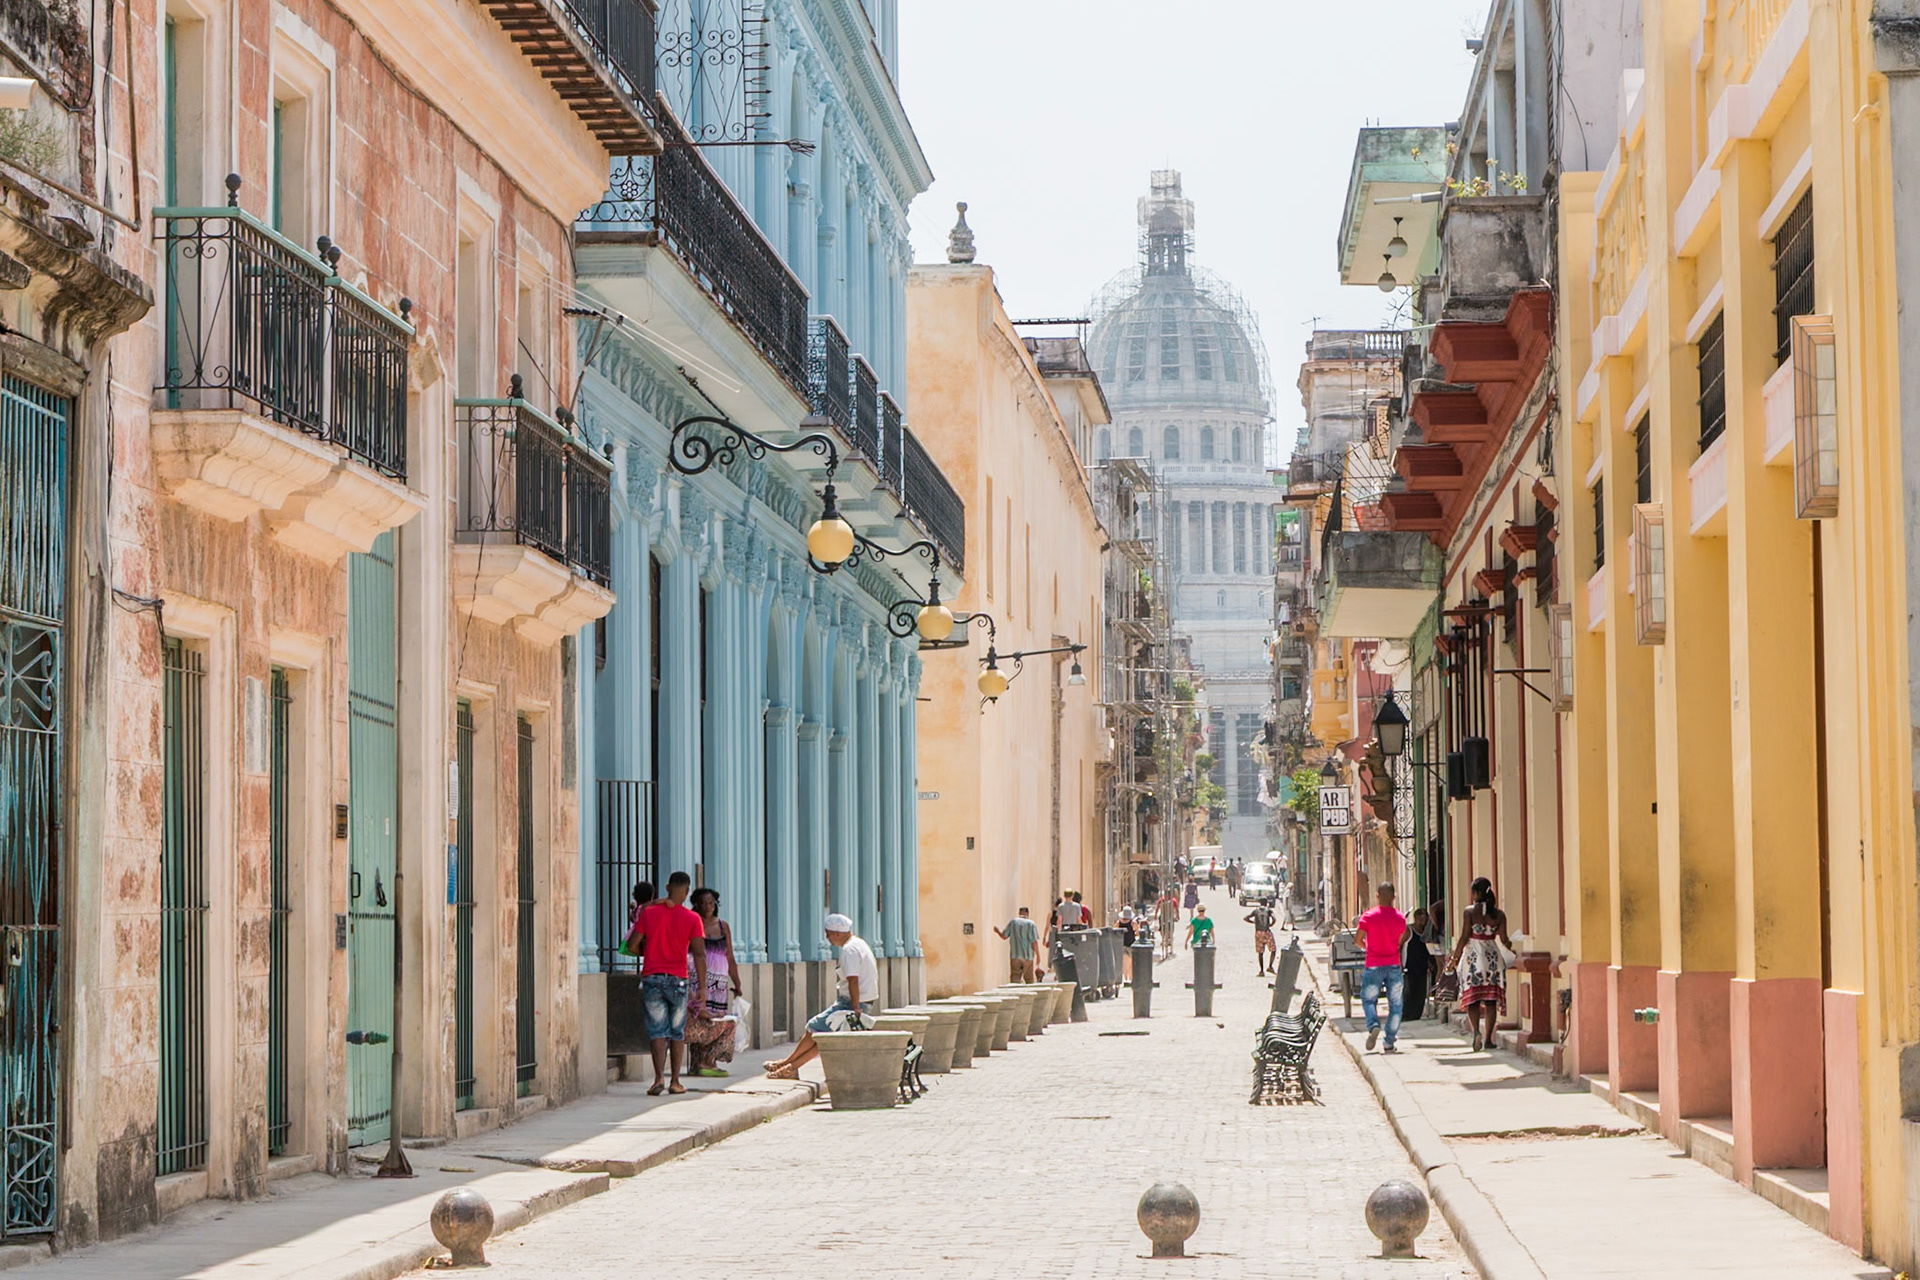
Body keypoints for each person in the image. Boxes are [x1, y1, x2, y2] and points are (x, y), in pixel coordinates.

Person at [764, 914, 878, 1079]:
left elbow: (853, 980)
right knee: (825, 1037)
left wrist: (855, 1009)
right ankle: (791, 1066)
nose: (827, 938)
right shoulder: (859, 944)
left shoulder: (849, 950)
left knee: (813, 1027)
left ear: (837, 933)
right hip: (861, 1001)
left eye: (828, 934)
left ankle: (787, 1063)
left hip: (852, 1003)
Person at [624, 870, 708, 1095]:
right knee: (677, 1031)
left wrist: (648, 950)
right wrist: (702, 988)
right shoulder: (693, 919)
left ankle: (658, 1077)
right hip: (679, 980)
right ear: (687, 891)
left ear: (667, 887)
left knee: (657, 1031)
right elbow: (700, 954)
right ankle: (676, 1081)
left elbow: (632, 945)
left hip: (652, 977)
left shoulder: (649, 914)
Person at [1446, 877, 1512, 1051]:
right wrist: (1511, 947)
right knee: (1490, 1001)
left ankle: (1476, 1032)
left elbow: (1464, 936)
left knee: (1472, 999)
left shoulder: (1469, 912)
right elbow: (1504, 940)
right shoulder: (1499, 915)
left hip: (1473, 959)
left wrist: (1454, 958)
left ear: (1475, 893)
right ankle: (1489, 1039)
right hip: (1492, 959)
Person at [684, 888, 742, 1078]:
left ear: (715, 904)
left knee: (715, 1019)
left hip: (719, 983)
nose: (707, 907)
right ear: (696, 904)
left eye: (711, 903)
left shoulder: (723, 927)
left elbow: (730, 956)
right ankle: (697, 1064)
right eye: (703, 903)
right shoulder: (692, 922)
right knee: (699, 1019)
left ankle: (709, 1061)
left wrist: (738, 983)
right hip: (697, 979)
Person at [1355, 882, 1409, 1053]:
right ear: (1394, 897)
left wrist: (1367, 947)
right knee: (1396, 1005)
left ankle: (1373, 1025)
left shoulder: (1368, 916)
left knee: (1369, 1000)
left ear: (1377, 895)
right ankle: (1389, 1042)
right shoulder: (1400, 918)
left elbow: (1358, 939)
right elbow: (1401, 939)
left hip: (1373, 965)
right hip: (1393, 964)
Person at [1401, 907, 1437, 1023]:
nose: (1423, 922)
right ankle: (1406, 1015)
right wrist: (1399, 963)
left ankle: (1416, 1014)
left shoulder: (1426, 932)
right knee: (1409, 991)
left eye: (1425, 919)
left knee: (1421, 991)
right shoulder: (1408, 930)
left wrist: (1430, 962)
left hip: (1422, 965)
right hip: (1409, 965)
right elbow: (1399, 945)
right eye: (1421, 919)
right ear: (1416, 918)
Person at [994, 907, 1042, 982]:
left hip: (1015, 955)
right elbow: (1034, 942)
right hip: (1028, 956)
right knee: (1029, 979)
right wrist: (1038, 956)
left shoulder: (1013, 922)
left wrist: (997, 931)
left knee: (1015, 978)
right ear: (1027, 914)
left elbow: (1004, 936)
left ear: (1019, 913)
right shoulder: (1031, 924)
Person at [1245, 900, 1277, 975]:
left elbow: (1246, 918)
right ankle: (1270, 966)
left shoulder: (1256, 911)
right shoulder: (1268, 910)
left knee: (1260, 952)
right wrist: (1271, 924)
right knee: (1273, 949)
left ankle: (1261, 970)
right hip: (1266, 931)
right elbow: (1274, 919)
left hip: (1258, 932)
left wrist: (1253, 922)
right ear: (1266, 903)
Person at [1156, 890, 1178, 960]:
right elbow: (1157, 907)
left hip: (1169, 917)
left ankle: (1167, 939)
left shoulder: (1172, 900)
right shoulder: (1164, 900)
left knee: (1169, 929)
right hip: (1164, 916)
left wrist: (1177, 915)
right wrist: (1156, 914)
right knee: (1162, 929)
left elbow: (1176, 909)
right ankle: (1164, 939)